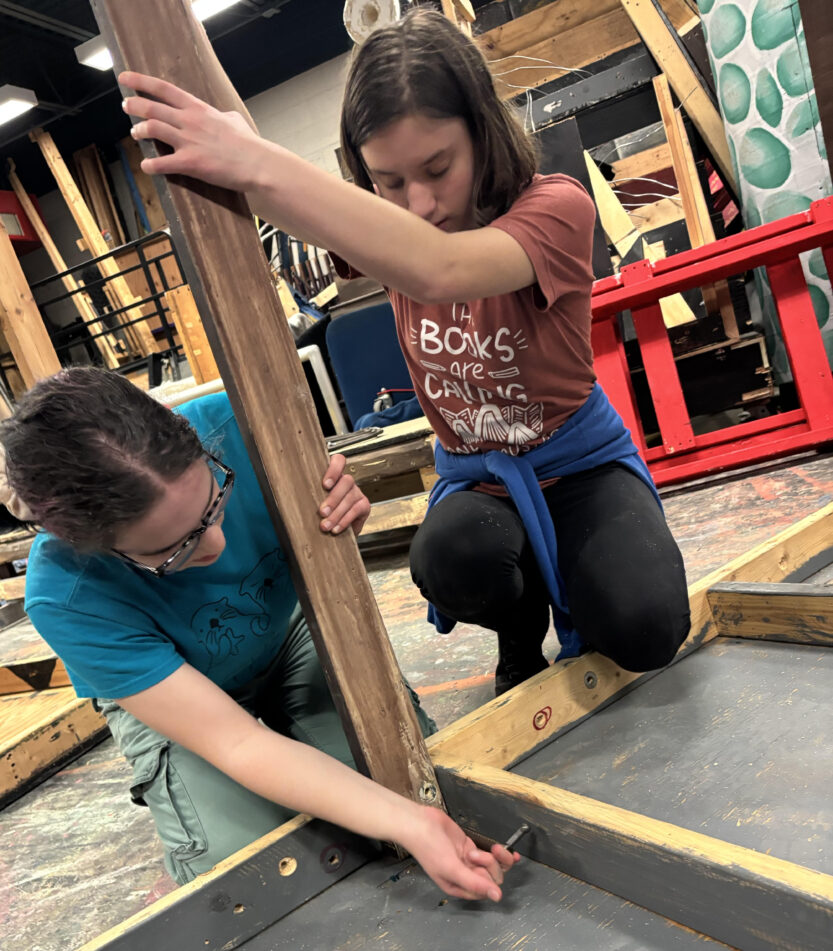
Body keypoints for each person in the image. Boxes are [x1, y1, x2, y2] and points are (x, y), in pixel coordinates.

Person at [119, 7, 690, 699]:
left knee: (645, 630)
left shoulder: (554, 208)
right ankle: (518, 626)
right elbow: (258, 180)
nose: (418, 203)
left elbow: (441, 268)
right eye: (388, 182)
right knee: (455, 556)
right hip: (480, 479)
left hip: (579, 463)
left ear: (481, 131)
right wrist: (182, 27)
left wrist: (257, 158)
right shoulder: (389, 232)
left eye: (437, 168)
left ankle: (584, 573)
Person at [3, 367, 516, 896]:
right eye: (172, 550)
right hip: (175, 695)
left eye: (215, 504)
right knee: (252, 873)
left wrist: (339, 520)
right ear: (92, 546)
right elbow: (236, 741)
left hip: (285, 630)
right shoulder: (65, 595)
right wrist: (406, 823)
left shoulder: (247, 424)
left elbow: (323, 528)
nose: (216, 545)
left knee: (401, 778)